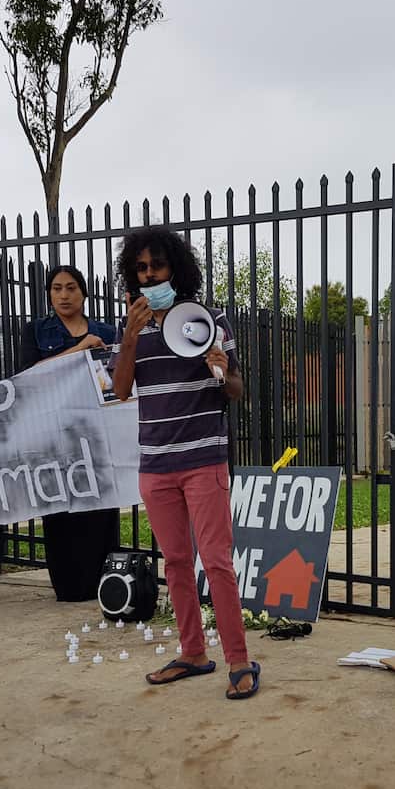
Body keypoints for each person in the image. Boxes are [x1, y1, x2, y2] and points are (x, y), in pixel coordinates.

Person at [110, 226, 259, 700]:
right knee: (175, 561)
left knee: (216, 561)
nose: (149, 274)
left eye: (157, 265)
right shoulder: (130, 326)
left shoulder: (208, 318)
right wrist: (131, 339)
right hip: (155, 464)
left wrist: (221, 369)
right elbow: (119, 390)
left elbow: (235, 390)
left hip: (202, 460)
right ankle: (193, 651)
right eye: (141, 268)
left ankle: (238, 659)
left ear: (176, 267)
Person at [17, 264, 120, 602]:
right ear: (49, 294)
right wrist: (80, 349)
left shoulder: (106, 331)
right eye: (57, 288)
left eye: (71, 287)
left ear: (83, 293)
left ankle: (102, 583)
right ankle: (68, 585)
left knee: (98, 507)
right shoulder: (36, 332)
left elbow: (118, 379)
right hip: (53, 434)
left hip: (96, 431)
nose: (64, 294)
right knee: (60, 509)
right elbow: (28, 377)